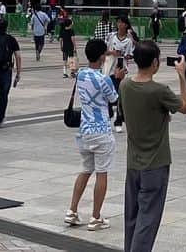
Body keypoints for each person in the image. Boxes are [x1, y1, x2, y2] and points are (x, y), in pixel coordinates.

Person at [118, 40, 186, 252]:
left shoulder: (125, 85)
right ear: (155, 63)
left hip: (133, 163)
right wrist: (181, 75)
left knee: (131, 217)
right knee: (148, 219)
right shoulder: (158, 90)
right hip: (155, 164)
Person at [65, 37, 127, 231]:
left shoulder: (81, 74)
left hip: (84, 131)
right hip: (101, 131)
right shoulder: (104, 79)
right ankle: (95, 217)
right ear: (102, 56)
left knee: (85, 170)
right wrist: (117, 79)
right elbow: (114, 98)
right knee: (102, 173)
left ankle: (72, 211)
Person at [107, 15, 135, 132]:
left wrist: (125, 55)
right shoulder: (111, 36)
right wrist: (113, 52)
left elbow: (130, 55)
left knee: (120, 96)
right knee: (108, 93)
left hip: (122, 69)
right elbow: (105, 50)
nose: (119, 25)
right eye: (118, 22)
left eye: (122, 23)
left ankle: (119, 120)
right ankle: (108, 115)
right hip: (110, 69)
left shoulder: (128, 40)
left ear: (126, 25)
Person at [60, 10, 76, 78]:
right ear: (69, 24)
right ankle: (72, 72)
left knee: (65, 60)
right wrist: (75, 47)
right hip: (70, 47)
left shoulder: (62, 31)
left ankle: (64, 72)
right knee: (71, 59)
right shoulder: (71, 31)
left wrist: (61, 46)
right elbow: (73, 39)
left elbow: (60, 39)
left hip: (64, 47)